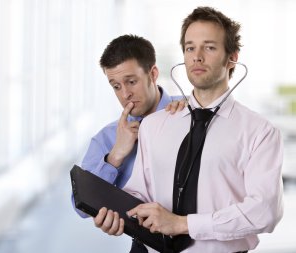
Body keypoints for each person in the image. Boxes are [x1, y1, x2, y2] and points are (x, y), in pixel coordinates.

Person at [93, 7, 284, 253]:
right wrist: (116, 214)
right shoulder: (155, 124)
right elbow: (139, 191)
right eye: (190, 47)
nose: (197, 57)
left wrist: (183, 224)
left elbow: (265, 211)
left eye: (210, 47)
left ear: (232, 57)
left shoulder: (260, 132)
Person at [71, 34, 185, 252]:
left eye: (131, 82)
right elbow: (80, 207)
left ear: (153, 74)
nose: (125, 94)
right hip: (148, 244)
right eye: (115, 86)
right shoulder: (107, 137)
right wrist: (115, 157)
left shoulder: (190, 110)